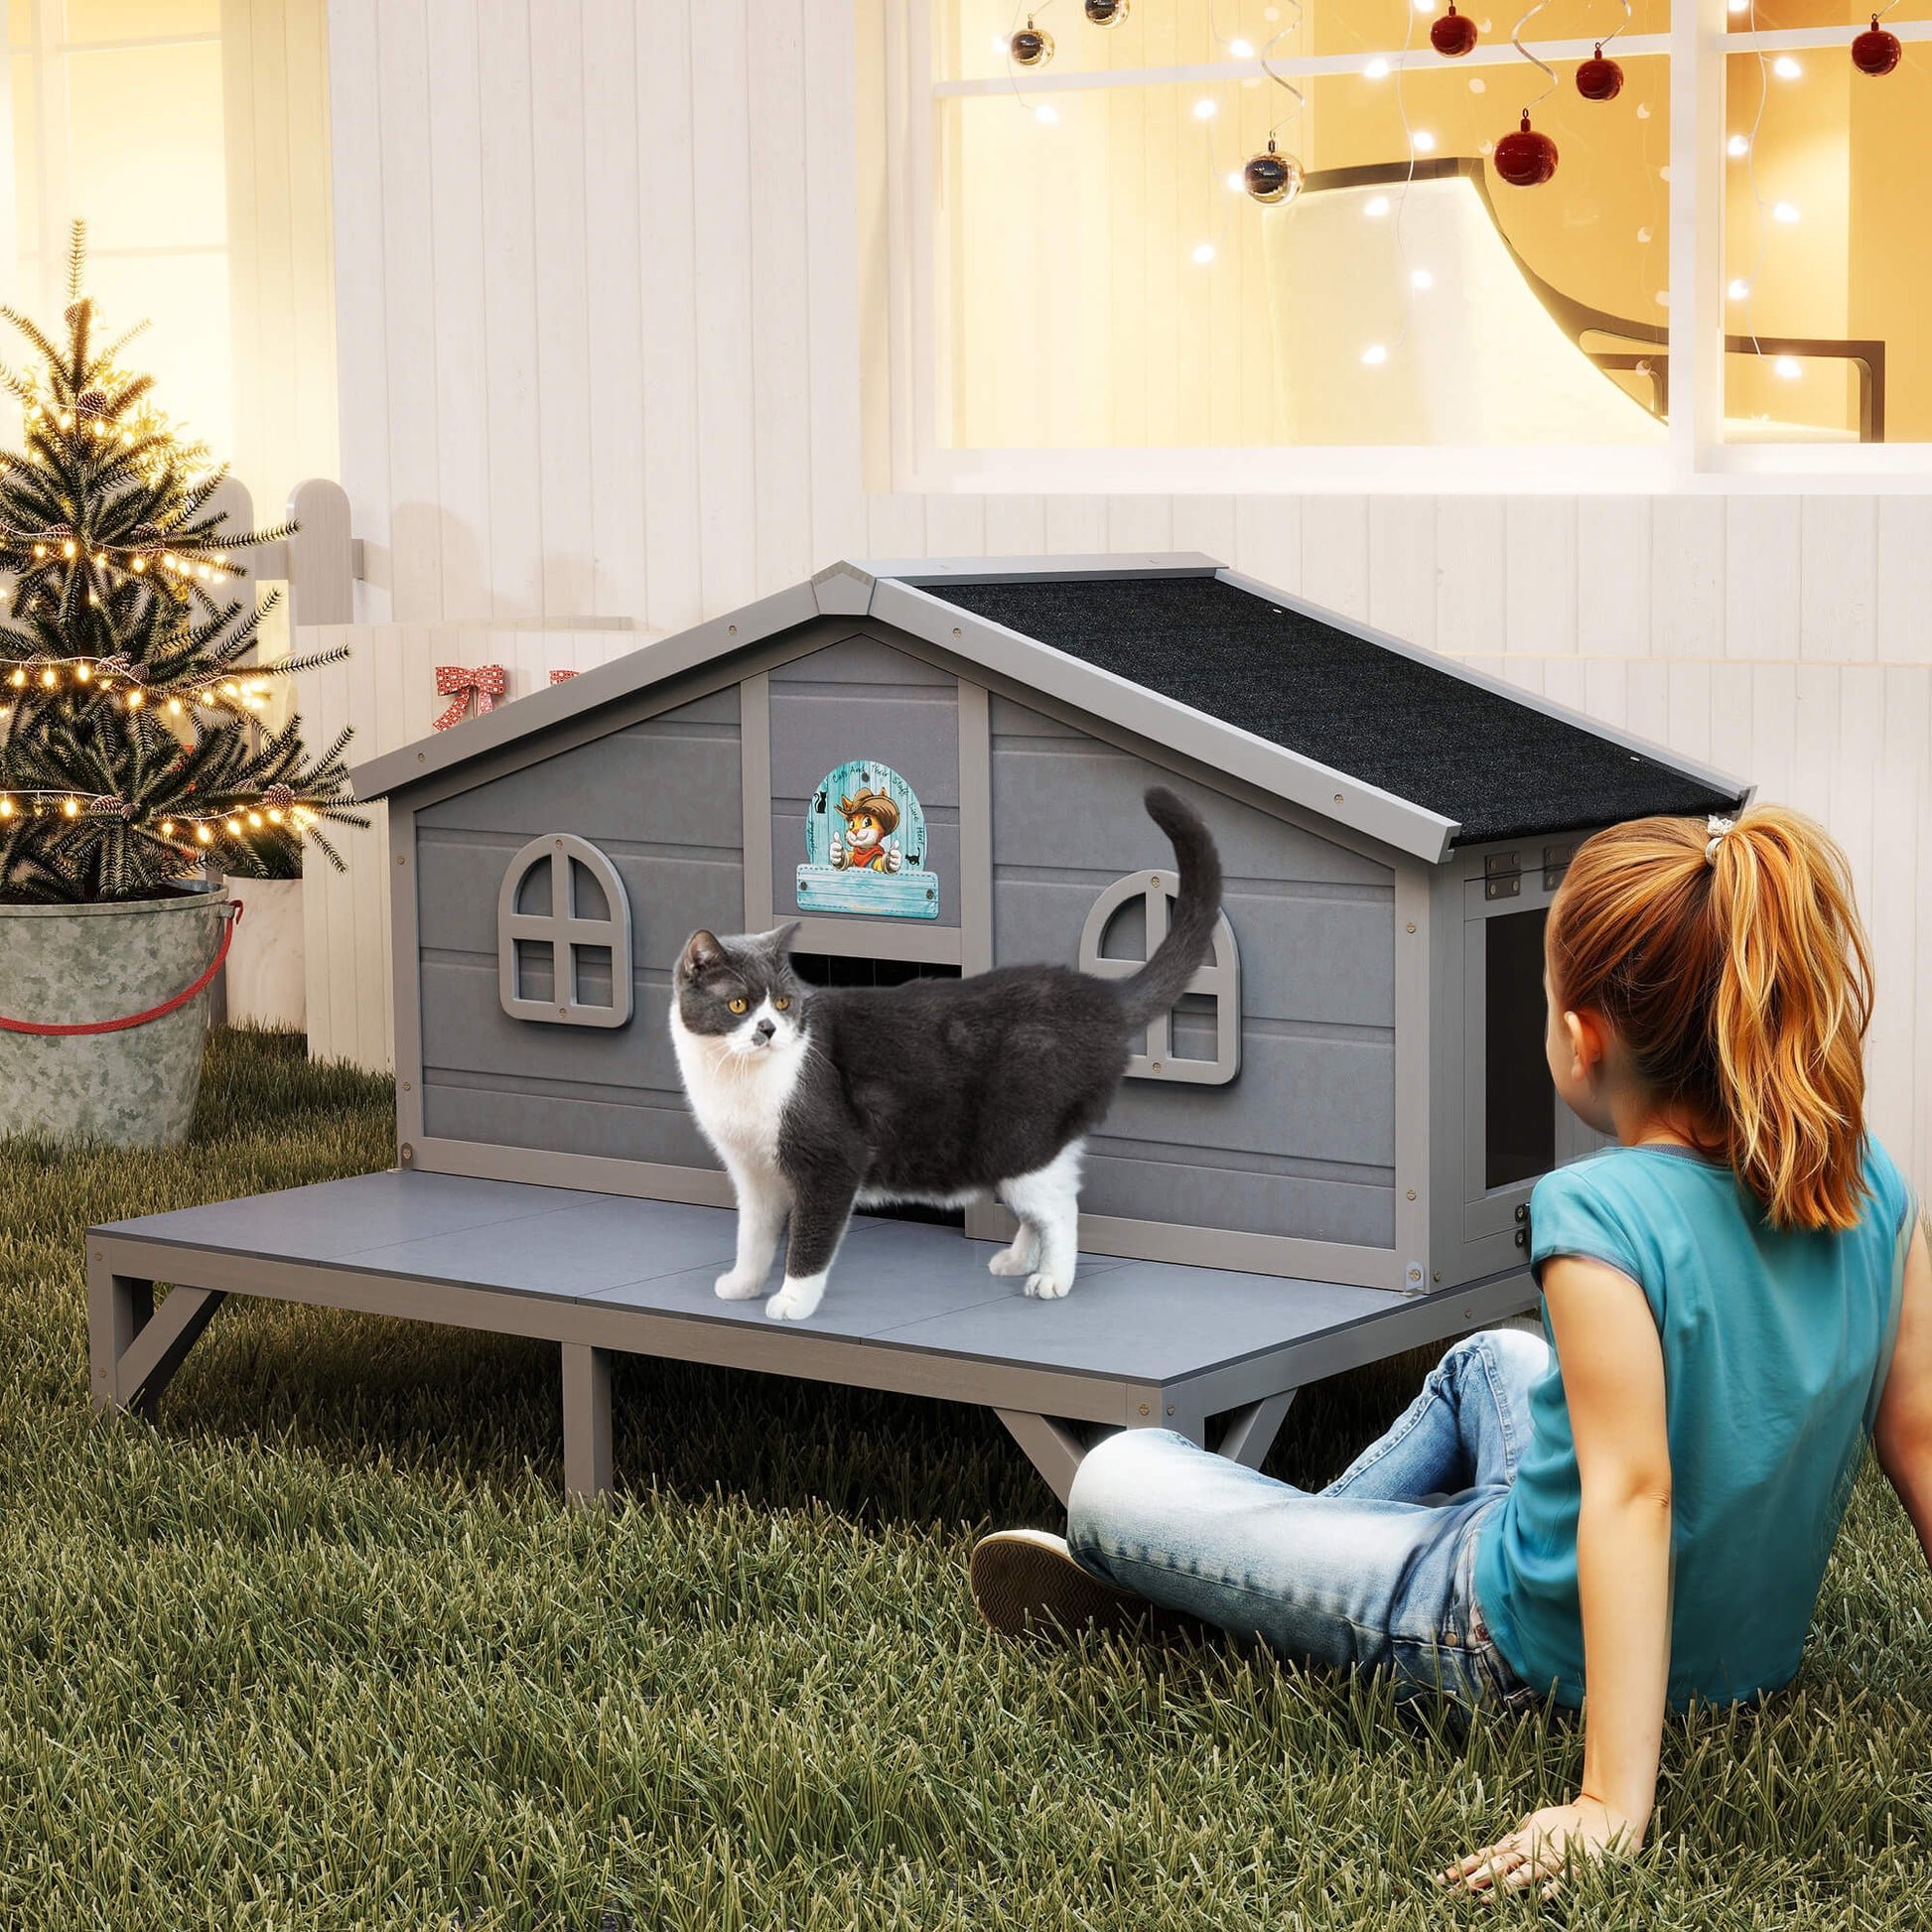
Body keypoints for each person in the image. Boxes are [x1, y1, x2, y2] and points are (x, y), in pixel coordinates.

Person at [968, 805, 1930, 1901]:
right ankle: (1284, 1560)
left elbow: (1630, 1493)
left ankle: (1228, 1590)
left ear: (1582, 1038)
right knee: (1491, 1360)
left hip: (1514, 1640)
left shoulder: (1596, 1212)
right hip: (1736, 1645)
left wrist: (1613, 1798)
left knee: (1115, 1475)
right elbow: (1921, 1440)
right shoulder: (1871, 1184)